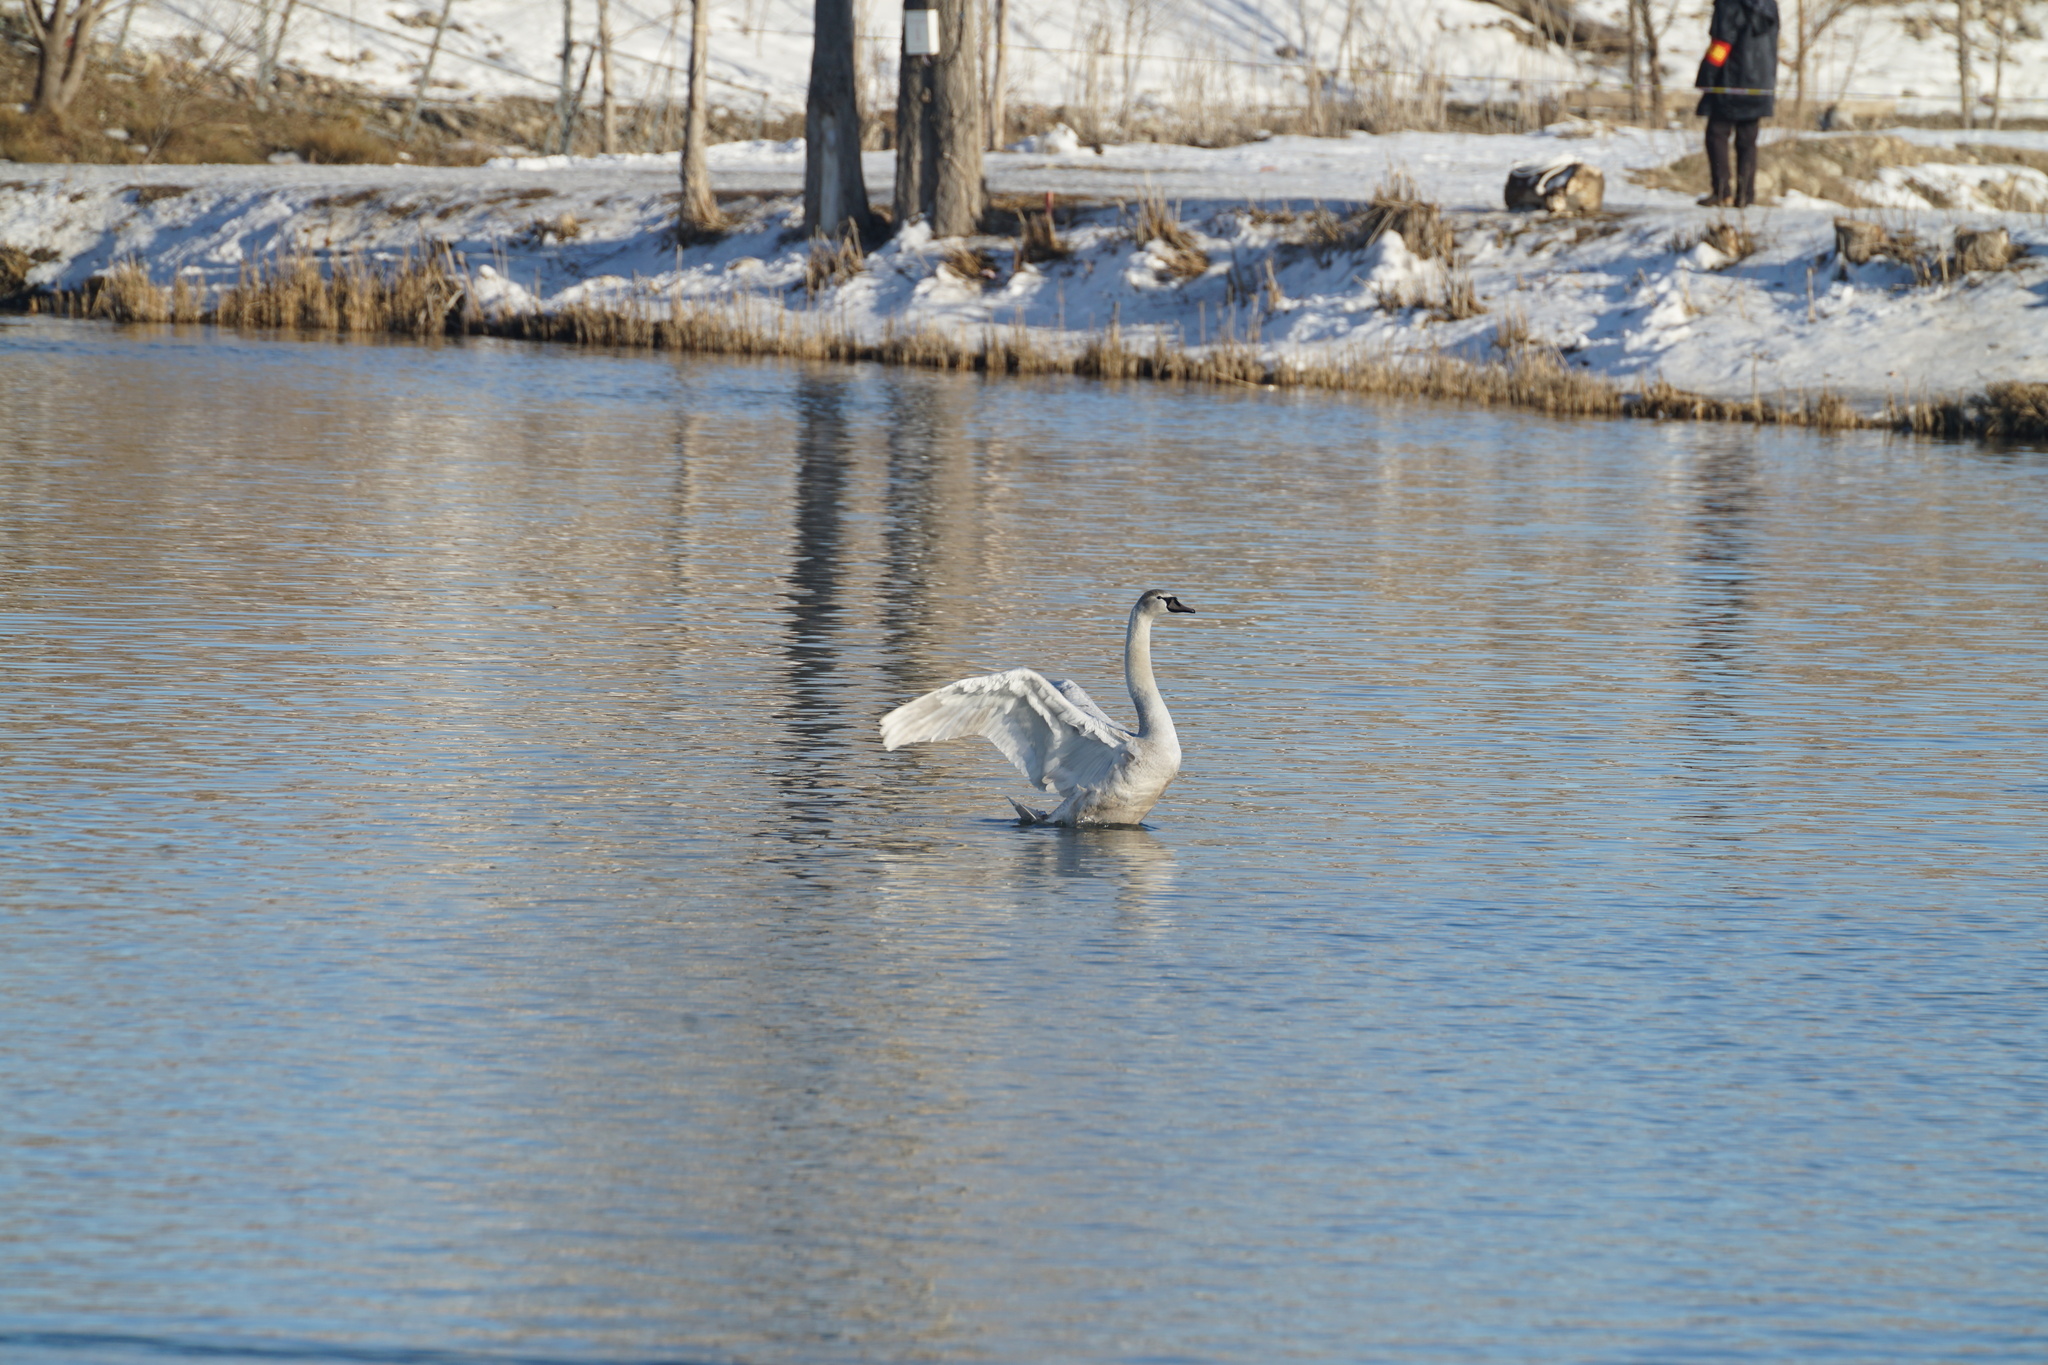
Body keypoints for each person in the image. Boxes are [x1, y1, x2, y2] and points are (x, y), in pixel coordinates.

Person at [1694, 0, 1779, 207]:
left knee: (1716, 133)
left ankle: (1722, 192)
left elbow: (1721, 44)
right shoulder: (1769, 4)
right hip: (1761, 82)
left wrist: (1707, 76)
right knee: (1747, 140)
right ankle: (1746, 196)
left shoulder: (1729, 4)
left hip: (1731, 80)